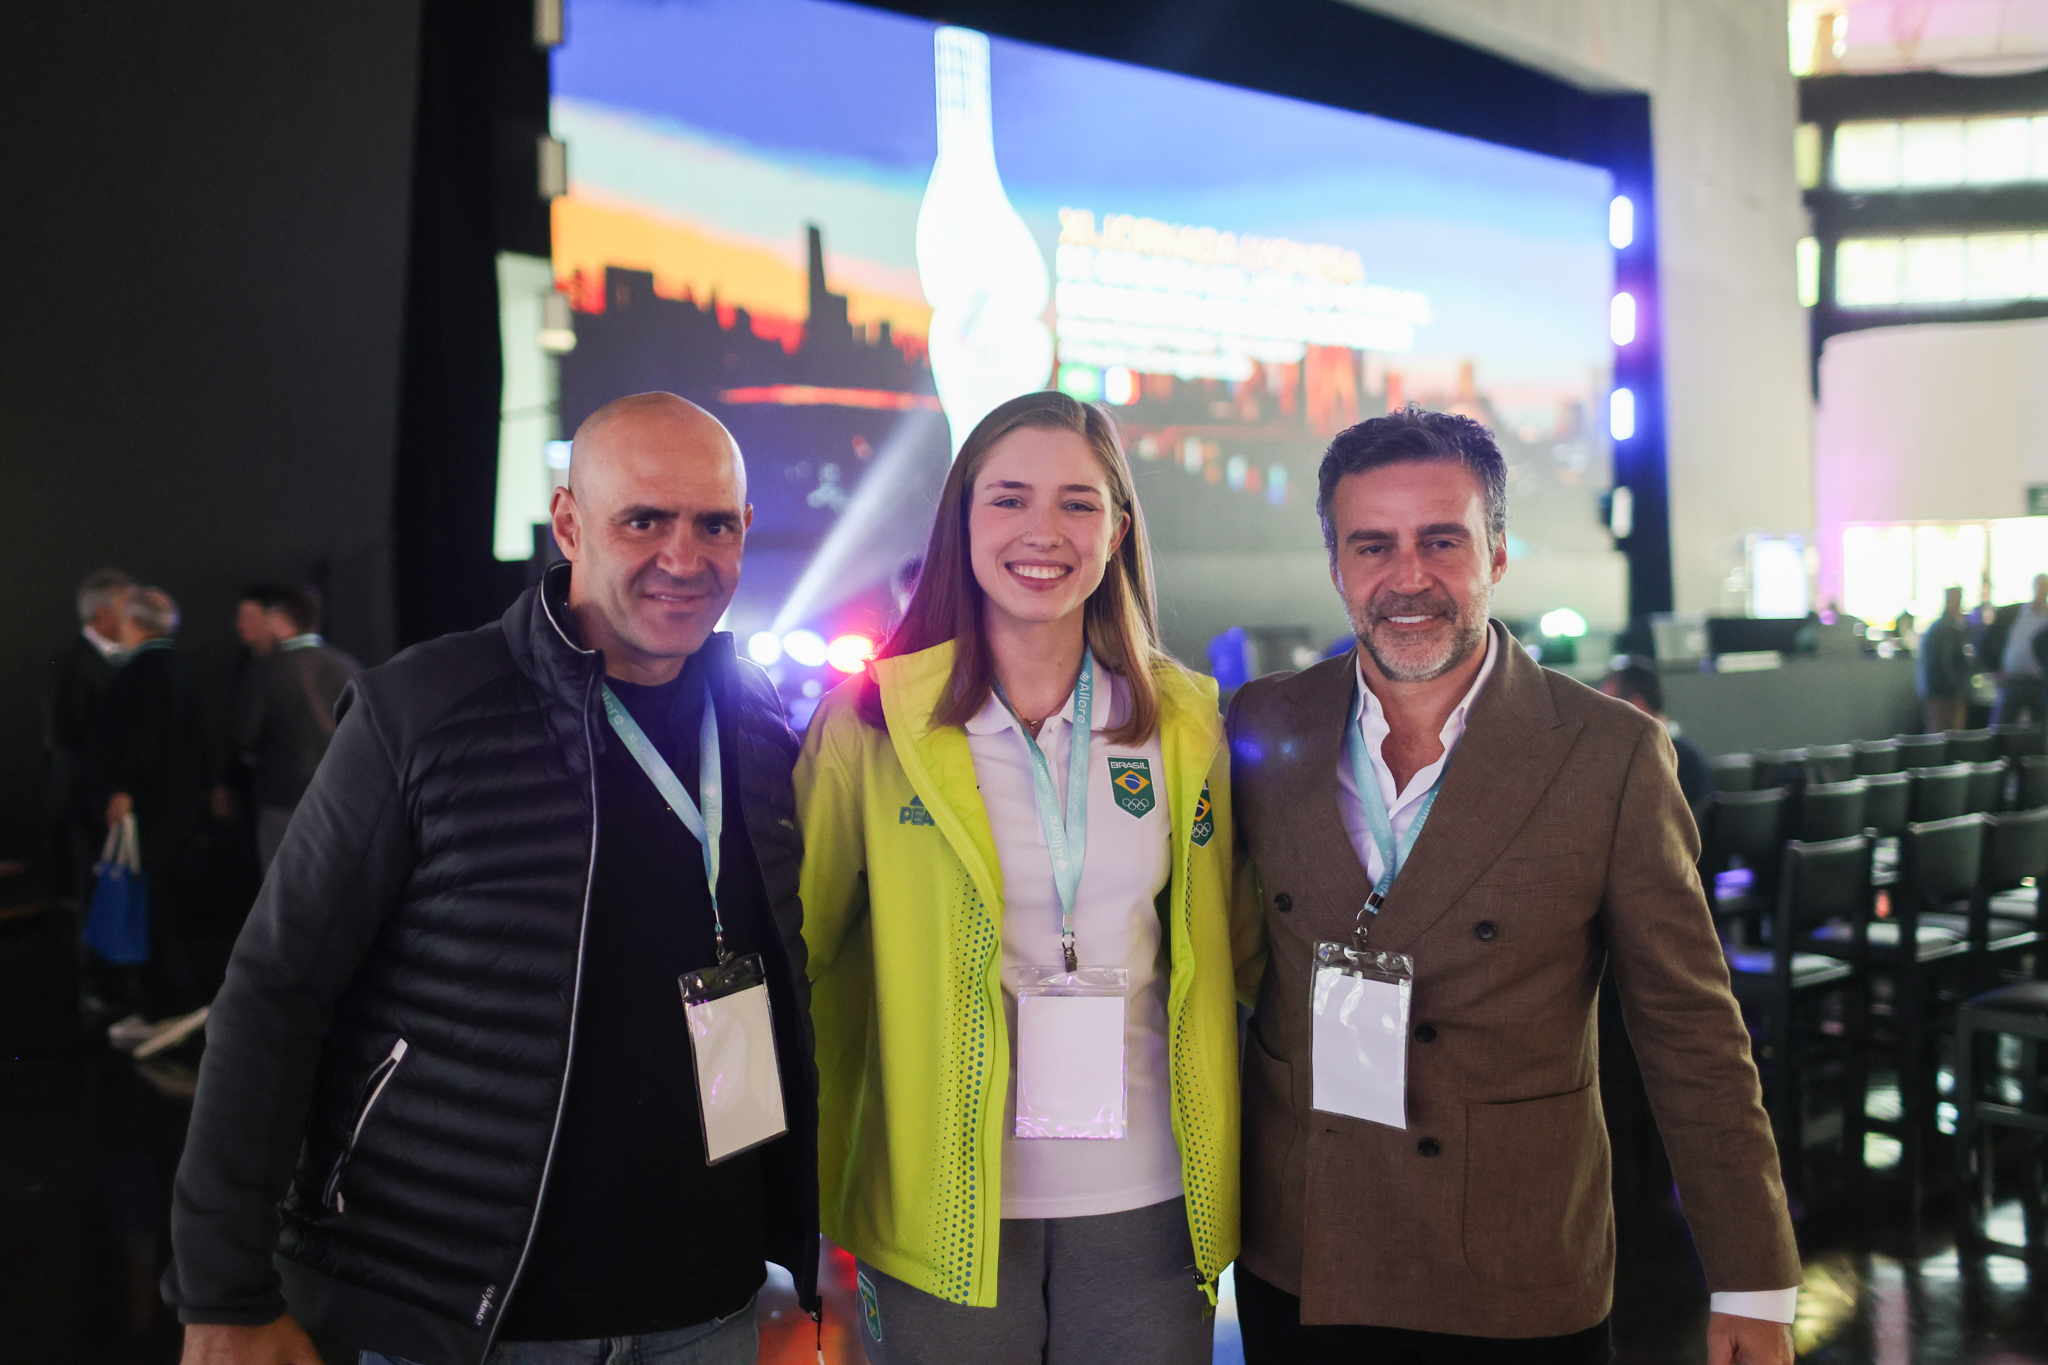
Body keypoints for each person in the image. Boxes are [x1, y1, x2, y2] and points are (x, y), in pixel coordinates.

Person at [164, 392, 818, 1365]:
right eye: (643, 520)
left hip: (708, 1305)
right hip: (468, 1317)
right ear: (568, 524)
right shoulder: (422, 711)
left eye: (714, 524)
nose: (684, 558)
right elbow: (274, 991)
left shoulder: (755, 720)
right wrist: (223, 1292)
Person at [1228, 410, 1798, 1365]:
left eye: (1441, 540)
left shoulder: (1609, 754)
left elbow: (1691, 1026)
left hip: (1512, 1264)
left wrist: (1751, 1276)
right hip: (1305, 1249)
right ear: (1336, 565)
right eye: (1373, 545)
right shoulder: (1263, 723)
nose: (1408, 576)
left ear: (1496, 551)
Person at [797, 391, 1252, 1364]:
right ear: (961, 521)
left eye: (1078, 503)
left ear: (1116, 530)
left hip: (1148, 1202)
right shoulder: (870, 725)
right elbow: (805, 950)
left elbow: (1231, 943)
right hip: (937, 1204)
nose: (1043, 531)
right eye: (1008, 499)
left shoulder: (1185, 724)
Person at [103, 587, 214, 1054]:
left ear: (133, 623)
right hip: (182, 807)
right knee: (166, 900)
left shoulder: (140, 673)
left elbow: (139, 742)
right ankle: (168, 1001)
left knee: (153, 903)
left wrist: (124, 789)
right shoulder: (181, 667)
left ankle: (169, 1003)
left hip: (152, 809)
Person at [232, 584, 361, 869]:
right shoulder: (347, 665)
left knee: (285, 885)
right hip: (341, 797)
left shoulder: (265, 668)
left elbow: (245, 737)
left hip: (284, 799)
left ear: (278, 620)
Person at [44, 568, 134, 970]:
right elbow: (65, 734)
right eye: (126, 606)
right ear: (102, 613)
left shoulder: (123, 657)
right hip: (90, 800)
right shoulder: (71, 663)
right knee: (94, 887)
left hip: (111, 797)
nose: (133, 615)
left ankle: (113, 974)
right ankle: (96, 979)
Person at [1600, 659, 1712, 812]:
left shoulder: (1671, 759)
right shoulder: (1687, 754)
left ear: (1635, 706)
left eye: (1607, 707)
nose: (1601, 718)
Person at [1918, 587, 1971, 734]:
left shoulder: (1941, 628)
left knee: (1939, 735)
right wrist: (1957, 688)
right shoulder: (1946, 629)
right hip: (1945, 694)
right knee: (1946, 736)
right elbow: (1944, 663)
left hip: (1939, 691)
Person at [1996, 574, 2048, 726]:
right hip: (2013, 678)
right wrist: (1998, 668)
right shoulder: (2017, 612)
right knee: (2003, 725)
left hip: (2037, 680)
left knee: (2039, 726)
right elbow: (1998, 640)